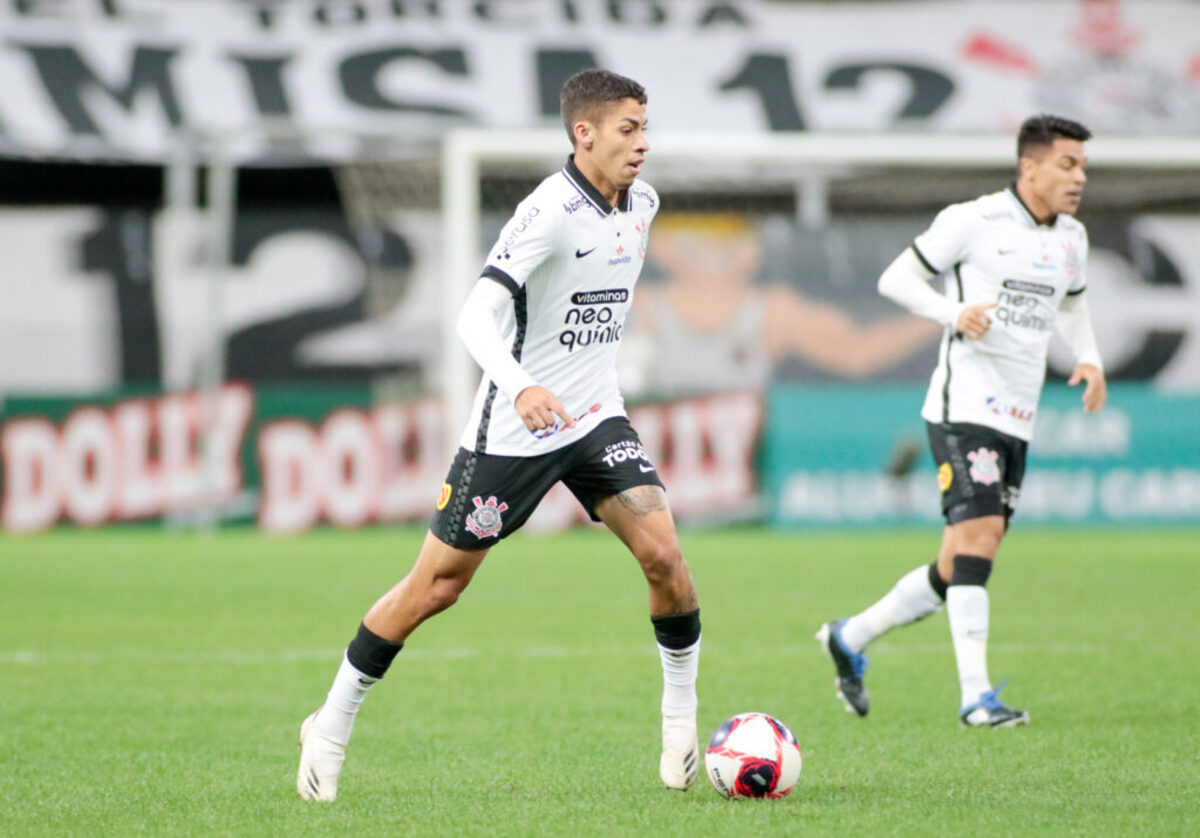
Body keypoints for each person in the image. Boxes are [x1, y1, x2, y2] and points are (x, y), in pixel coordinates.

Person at [296, 68, 702, 800]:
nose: (644, 143)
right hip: (515, 427)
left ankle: (679, 719)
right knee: (437, 588)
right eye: (628, 128)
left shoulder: (643, 202)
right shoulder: (546, 211)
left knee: (665, 558)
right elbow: (473, 318)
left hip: (595, 415)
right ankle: (328, 724)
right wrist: (523, 386)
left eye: (646, 127)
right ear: (584, 133)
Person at [816, 114, 1106, 728]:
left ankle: (850, 636)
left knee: (957, 563)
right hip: (963, 408)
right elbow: (896, 279)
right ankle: (976, 697)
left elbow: (1074, 307)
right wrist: (952, 313)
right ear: (1030, 166)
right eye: (1067, 163)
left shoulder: (1071, 239)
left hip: (1018, 415)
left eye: (1082, 165)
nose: (1079, 175)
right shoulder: (973, 220)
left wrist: (1089, 357)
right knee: (982, 539)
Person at [622, 213, 940, 396]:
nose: (712, 251)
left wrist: (940, 312)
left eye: (729, 240)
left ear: (754, 247)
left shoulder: (772, 310)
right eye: (693, 239)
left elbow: (857, 351)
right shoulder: (636, 304)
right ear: (661, 246)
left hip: (743, 479)